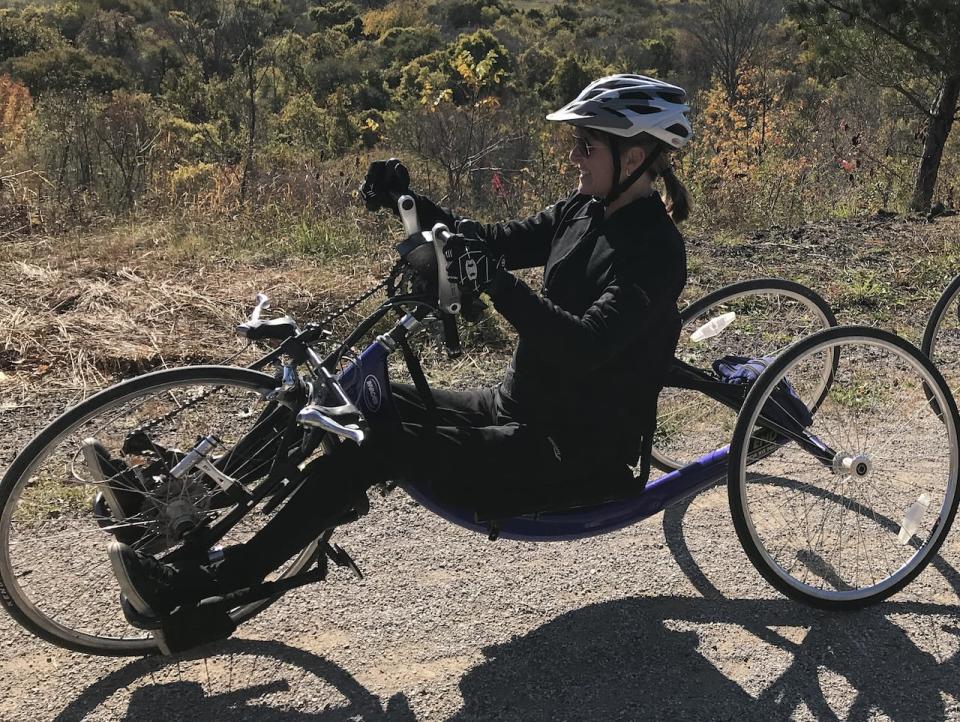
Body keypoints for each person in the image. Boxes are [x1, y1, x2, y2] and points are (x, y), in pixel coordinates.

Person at [106, 74, 693, 627]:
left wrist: (496, 281)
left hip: (569, 453)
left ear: (633, 157)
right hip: (510, 407)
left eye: (586, 145)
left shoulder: (655, 251)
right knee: (332, 395)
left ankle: (198, 585)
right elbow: (487, 240)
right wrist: (409, 201)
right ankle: (177, 504)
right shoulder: (582, 210)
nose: (574, 156)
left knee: (371, 445)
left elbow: (585, 346)